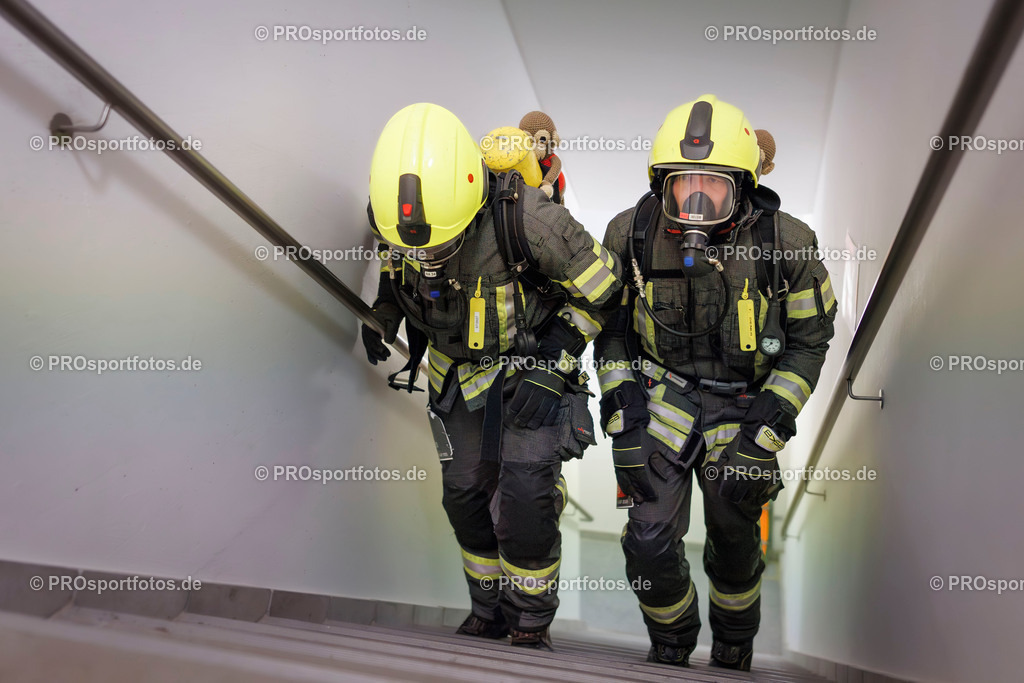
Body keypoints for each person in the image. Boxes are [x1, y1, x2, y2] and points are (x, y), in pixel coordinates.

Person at [361, 103, 622, 650]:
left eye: (439, 245)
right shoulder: (392, 217)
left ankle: (530, 622)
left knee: (526, 497)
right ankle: (488, 610)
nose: (426, 256)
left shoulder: (531, 220)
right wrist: (384, 314)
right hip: (456, 376)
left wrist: (555, 360)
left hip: (531, 373)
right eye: (418, 248)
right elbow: (395, 270)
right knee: (462, 495)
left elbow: (608, 289)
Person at [594, 94, 837, 670]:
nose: (697, 197)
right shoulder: (629, 234)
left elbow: (809, 344)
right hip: (664, 396)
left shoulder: (790, 245)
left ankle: (734, 641)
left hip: (746, 406)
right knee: (648, 539)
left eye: (714, 183)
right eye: (684, 183)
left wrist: (766, 433)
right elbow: (610, 331)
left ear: (744, 186)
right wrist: (622, 404)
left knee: (734, 539)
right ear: (663, 184)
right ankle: (672, 639)